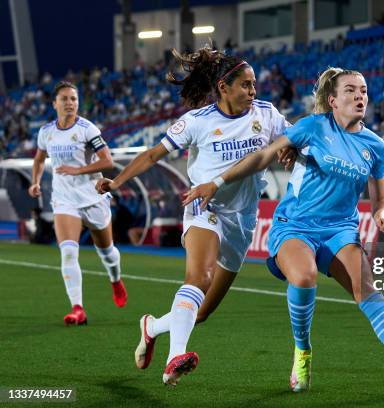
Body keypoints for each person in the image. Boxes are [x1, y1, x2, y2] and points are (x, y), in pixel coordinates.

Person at [184, 67, 384, 395]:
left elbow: (380, 198)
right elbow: (263, 156)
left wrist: (382, 216)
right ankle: (302, 351)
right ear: (332, 100)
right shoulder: (313, 127)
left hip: (340, 229)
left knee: (366, 288)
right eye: (350, 90)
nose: (360, 96)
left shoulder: (374, 145)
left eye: (364, 90)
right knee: (304, 277)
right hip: (295, 224)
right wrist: (216, 182)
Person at [95, 47, 295, 386]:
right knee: (198, 278)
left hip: (243, 220)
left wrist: (290, 149)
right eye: (245, 85)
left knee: (200, 313)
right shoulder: (197, 122)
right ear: (223, 87)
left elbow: (294, 138)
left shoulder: (267, 114)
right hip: (204, 208)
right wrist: (116, 180)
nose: (252, 91)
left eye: (254, 85)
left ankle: (152, 327)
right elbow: (153, 155)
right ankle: (175, 359)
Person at [28, 81, 128, 326]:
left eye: (73, 99)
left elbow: (107, 161)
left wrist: (79, 170)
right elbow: (39, 159)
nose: (70, 103)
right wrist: (35, 181)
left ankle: (115, 280)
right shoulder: (46, 132)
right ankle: (78, 308)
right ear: (55, 104)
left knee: (107, 252)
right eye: (65, 99)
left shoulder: (87, 129)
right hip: (64, 200)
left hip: (93, 197)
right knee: (69, 251)